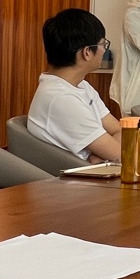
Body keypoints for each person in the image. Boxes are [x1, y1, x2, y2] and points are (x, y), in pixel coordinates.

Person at [28, 9, 124, 163]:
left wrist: (96, 155)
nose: (104, 50)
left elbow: (118, 130)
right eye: (102, 44)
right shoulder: (61, 98)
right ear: (87, 52)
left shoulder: (82, 86)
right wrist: (106, 153)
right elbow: (120, 154)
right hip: (78, 176)